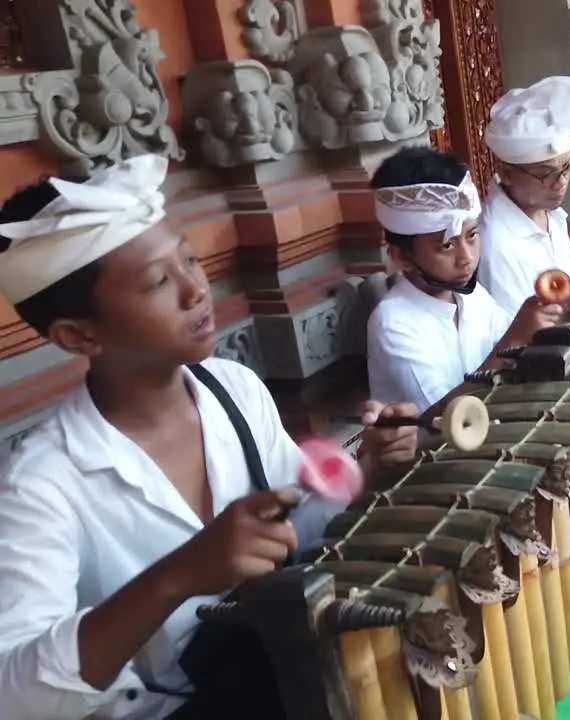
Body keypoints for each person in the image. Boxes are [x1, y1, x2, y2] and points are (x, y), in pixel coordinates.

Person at [0, 156, 419, 719]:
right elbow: (16, 695)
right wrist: (180, 575)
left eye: (189, 260)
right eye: (157, 281)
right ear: (78, 335)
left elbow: (302, 528)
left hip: (288, 681)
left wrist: (368, 466)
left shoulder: (234, 389)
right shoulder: (41, 486)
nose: (195, 290)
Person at [366, 145, 562, 413]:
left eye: (472, 236)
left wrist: (562, 309)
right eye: (447, 246)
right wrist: (514, 339)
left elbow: (517, 360)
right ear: (401, 256)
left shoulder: (471, 295)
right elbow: (443, 417)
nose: (467, 258)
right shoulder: (393, 323)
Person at [479, 76, 570, 317]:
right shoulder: (496, 242)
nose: (561, 183)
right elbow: (518, 338)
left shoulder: (550, 213)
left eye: (566, 168)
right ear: (507, 173)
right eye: (546, 174)